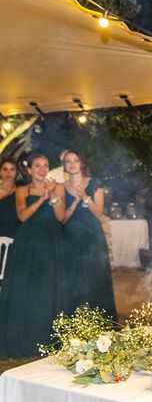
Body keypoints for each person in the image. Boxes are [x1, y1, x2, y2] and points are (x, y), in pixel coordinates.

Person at [0, 154, 67, 357]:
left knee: (46, 289)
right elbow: (22, 216)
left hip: (50, 241)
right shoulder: (22, 190)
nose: (42, 169)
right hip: (27, 242)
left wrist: (53, 197)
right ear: (29, 170)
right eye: (37, 165)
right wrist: (42, 200)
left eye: (45, 165)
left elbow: (60, 217)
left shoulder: (58, 187)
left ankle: (45, 339)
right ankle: (24, 339)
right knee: (26, 290)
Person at [62, 150, 117, 320]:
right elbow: (61, 217)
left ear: (82, 163)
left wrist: (84, 196)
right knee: (72, 278)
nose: (72, 164)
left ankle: (99, 321)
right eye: (68, 161)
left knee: (95, 278)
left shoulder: (95, 184)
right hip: (70, 237)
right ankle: (74, 321)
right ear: (64, 165)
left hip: (92, 237)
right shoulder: (60, 187)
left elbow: (99, 213)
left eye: (75, 160)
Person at [0, 158, 21, 238]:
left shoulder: (21, 191)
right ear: (0, 172)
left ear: (16, 173)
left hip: (12, 235)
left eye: (12, 169)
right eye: (5, 169)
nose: (8, 173)